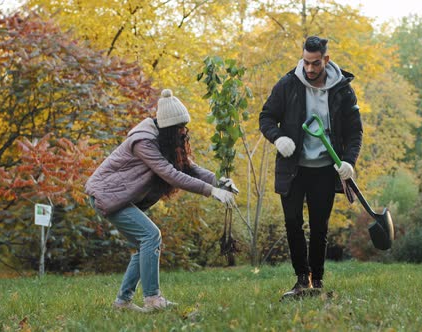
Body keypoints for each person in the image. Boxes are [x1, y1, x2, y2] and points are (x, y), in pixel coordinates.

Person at [85, 89, 237, 312]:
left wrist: (220, 182)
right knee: (150, 235)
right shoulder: (144, 142)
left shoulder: (166, 143)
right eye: (179, 128)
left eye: (184, 126)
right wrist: (210, 191)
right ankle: (153, 299)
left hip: (120, 198)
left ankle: (122, 302)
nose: (183, 132)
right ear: (167, 129)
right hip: (106, 196)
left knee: (143, 244)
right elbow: (170, 174)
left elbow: (190, 168)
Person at [259, 36, 363, 300]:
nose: (309, 69)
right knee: (293, 222)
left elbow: (354, 132)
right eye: (306, 62)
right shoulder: (288, 84)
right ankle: (301, 278)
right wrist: (278, 138)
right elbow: (266, 117)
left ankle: (316, 280)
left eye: (315, 63)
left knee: (320, 226)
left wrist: (349, 161)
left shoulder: (342, 89)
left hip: (325, 169)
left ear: (326, 60)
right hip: (294, 167)